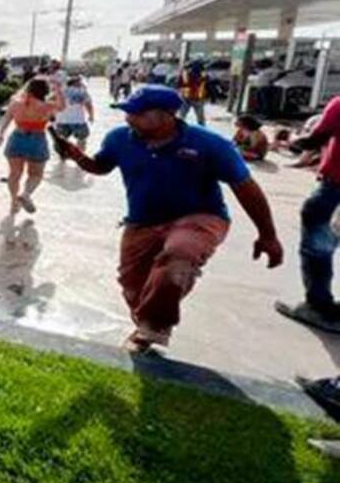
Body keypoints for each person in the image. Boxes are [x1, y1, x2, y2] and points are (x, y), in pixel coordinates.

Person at [51, 85, 283, 352]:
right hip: (142, 220)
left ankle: (151, 330)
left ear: (166, 115)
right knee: (133, 287)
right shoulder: (119, 139)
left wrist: (268, 234)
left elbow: (246, 188)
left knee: (178, 255)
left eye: (136, 113)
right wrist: (75, 154)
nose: (128, 118)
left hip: (200, 217)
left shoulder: (209, 144)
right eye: (127, 112)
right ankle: (146, 324)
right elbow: (100, 166)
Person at [275, 97, 340, 334]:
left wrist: (291, 142)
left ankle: (318, 307)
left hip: (335, 191)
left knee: (318, 248)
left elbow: (315, 140)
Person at [0, 77, 65, 214]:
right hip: (37, 139)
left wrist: (1, 134)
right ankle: (26, 194)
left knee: (14, 174)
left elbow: (6, 118)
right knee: (36, 174)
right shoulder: (46, 105)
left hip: (17, 138)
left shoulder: (15, 102)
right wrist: (58, 90)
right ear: (45, 90)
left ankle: (14, 202)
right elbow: (62, 107)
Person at [53, 75, 94, 153]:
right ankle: (80, 155)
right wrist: (91, 116)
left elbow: (50, 103)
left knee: (61, 139)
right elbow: (88, 105)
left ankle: (62, 157)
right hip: (77, 120)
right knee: (81, 138)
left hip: (61, 120)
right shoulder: (82, 91)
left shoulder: (59, 91)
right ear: (77, 83)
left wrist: (52, 116)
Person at [177, 61, 208, 126]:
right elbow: (206, 85)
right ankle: (202, 130)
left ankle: (178, 129)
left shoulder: (184, 74)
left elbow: (178, 85)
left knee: (181, 115)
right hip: (197, 98)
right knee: (200, 118)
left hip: (186, 97)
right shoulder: (202, 75)